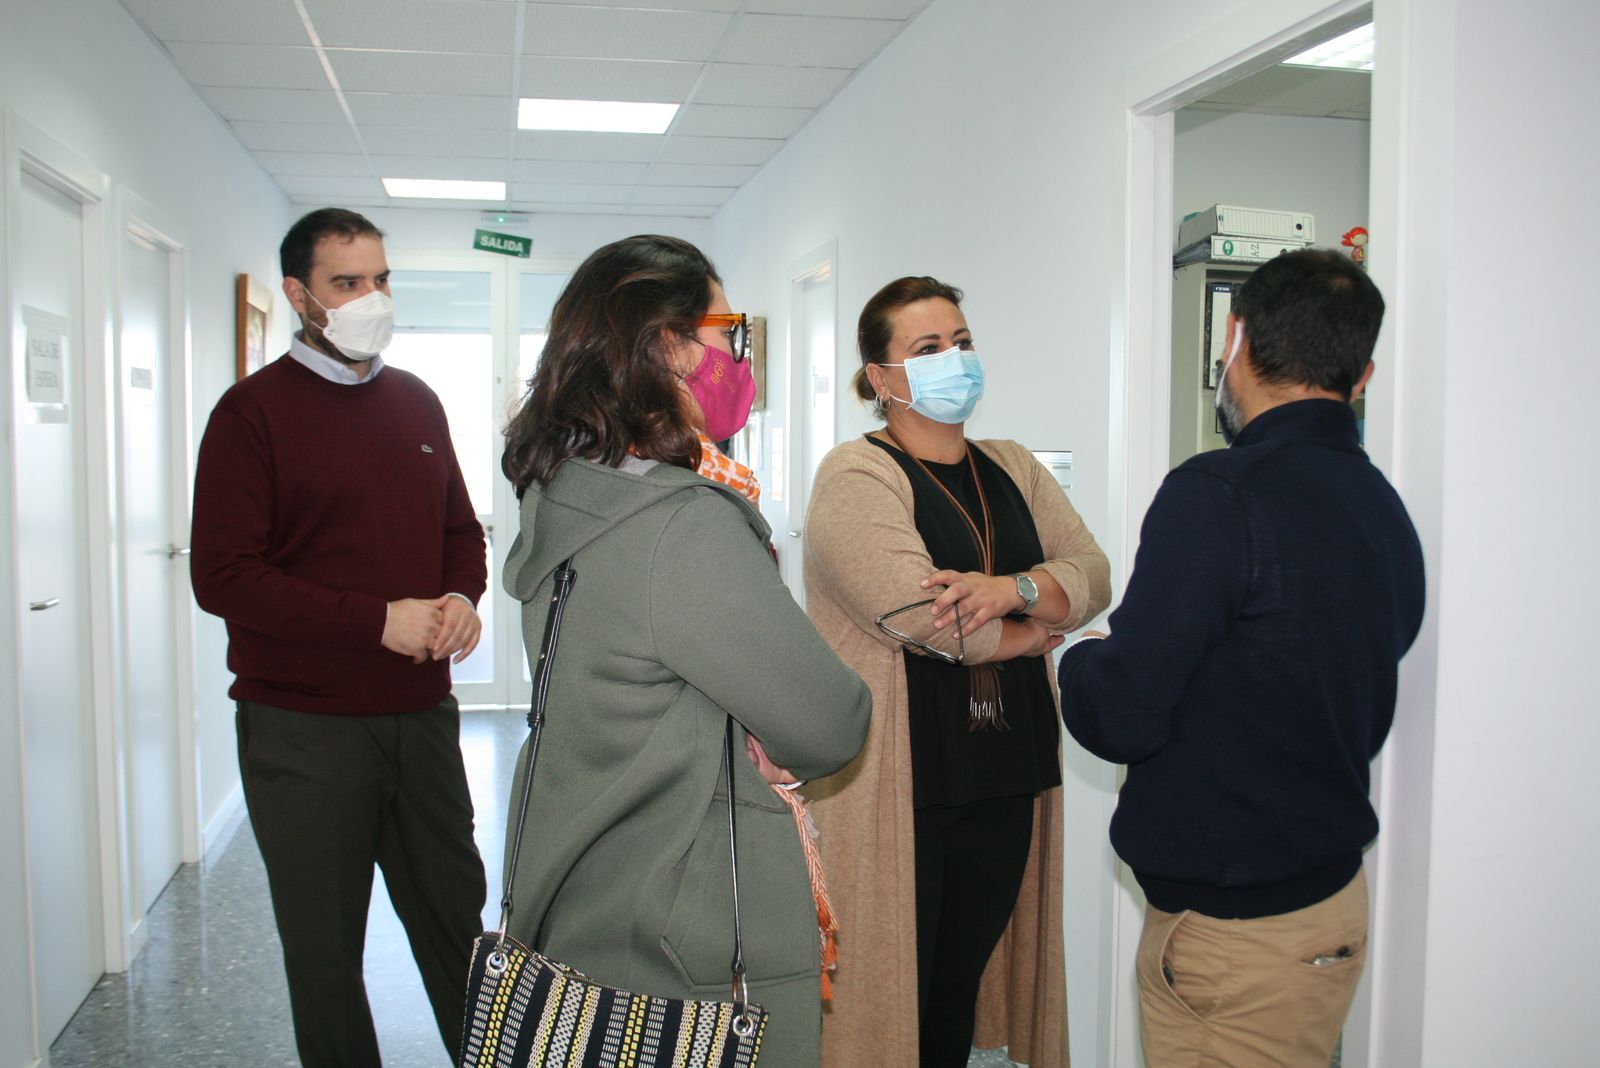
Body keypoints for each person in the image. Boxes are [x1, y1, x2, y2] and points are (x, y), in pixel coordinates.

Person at [497, 234, 872, 1067]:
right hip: (684, 944)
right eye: (726, 331)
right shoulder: (680, 524)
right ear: (666, 343)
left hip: (590, 899)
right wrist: (755, 726)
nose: (737, 358)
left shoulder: (564, 487)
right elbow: (832, 721)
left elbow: (645, 669)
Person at [1058, 248, 1425, 1066]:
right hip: (1324, 910)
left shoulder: (1217, 494)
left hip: (1236, 943)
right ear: (1361, 375)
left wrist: (1076, 656)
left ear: (1235, 339)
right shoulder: (1381, 509)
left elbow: (1121, 711)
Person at [190, 208, 488, 1067]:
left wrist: (459, 596)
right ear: (299, 296)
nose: (371, 298)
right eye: (347, 284)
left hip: (421, 722)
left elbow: (458, 532)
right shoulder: (252, 415)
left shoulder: (417, 401)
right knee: (324, 956)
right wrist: (375, 621)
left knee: (457, 933)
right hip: (304, 732)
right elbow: (225, 577)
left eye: (381, 279)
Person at [802, 277, 1111, 1068]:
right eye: (928, 348)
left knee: (954, 987)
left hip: (1005, 773)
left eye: (963, 342)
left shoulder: (1011, 466)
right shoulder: (857, 474)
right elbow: (918, 616)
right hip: (903, 786)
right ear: (882, 378)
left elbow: (1093, 574)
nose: (954, 360)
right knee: (890, 992)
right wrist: (1026, 633)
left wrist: (1010, 591)